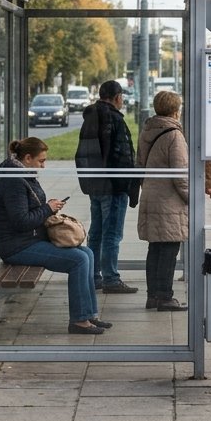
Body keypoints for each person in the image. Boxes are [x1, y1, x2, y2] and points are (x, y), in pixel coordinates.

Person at [0, 137, 110, 335]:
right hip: (17, 247)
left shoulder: (23, 176)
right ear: (27, 158)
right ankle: (79, 321)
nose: (44, 165)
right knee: (79, 260)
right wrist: (47, 208)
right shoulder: (14, 181)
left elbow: (29, 212)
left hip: (30, 240)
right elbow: (20, 221)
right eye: (41, 161)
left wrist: (48, 207)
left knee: (87, 253)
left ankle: (89, 314)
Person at [76, 79, 139, 294]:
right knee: (112, 234)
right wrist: (129, 185)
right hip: (113, 186)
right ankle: (111, 278)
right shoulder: (114, 119)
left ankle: (94, 276)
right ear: (117, 97)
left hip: (95, 184)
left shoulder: (90, 117)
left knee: (97, 232)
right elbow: (123, 156)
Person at [136, 91, 189, 311]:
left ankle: (153, 296)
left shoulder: (147, 130)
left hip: (151, 196)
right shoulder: (174, 135)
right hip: (169, 201)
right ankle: (165, 297)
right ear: (176, 110)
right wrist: (191, 197)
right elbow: (181, 173)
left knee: (155, 248)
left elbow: (139, 164)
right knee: (168, 249)